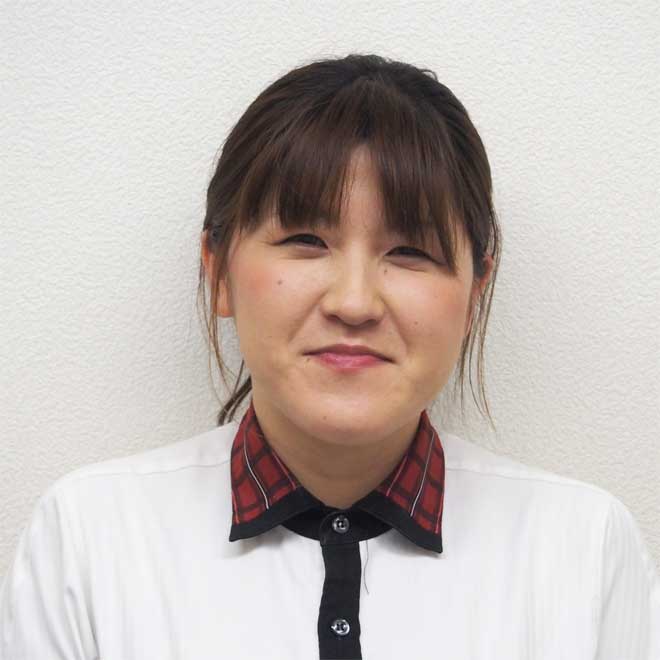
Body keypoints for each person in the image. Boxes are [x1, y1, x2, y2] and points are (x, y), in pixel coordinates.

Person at [1, 53, 658, 660]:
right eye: (306, 240)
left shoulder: (584, 548)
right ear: (219, 271)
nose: (354, 302)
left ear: (473, 292)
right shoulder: (89, 538)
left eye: (410, 252)